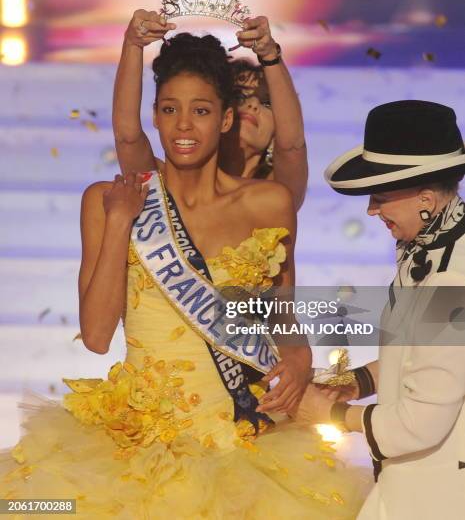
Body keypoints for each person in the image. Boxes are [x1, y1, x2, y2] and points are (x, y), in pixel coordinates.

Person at [0, 34, 368, 519]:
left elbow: (281, 310)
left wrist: (299, 358)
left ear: (226, 118)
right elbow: (94, 335)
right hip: (136, 449)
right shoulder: (112, 200)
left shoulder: (268, 204)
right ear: (154, 117)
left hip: (246, 441)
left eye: (200, 110)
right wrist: (118, 223)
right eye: (170, 110)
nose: (183, 125)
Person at [292, 100, 465, 519]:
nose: (372, 210)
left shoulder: (450, 277)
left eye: (381, 197)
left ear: (425, 199)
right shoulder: (428, 249)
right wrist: (357, 381)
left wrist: (331, 413)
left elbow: (419, 423)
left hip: (438, 498)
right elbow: (420, 359)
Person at [113, 10, 308, 210]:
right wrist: (133, 44)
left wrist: (270, 56)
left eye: (266, 102)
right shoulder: (156, 187)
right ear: (224, 116)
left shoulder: (275, 197)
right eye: (241, 97)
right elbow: (127, 137)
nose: (253, 105)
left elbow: (292, 146)